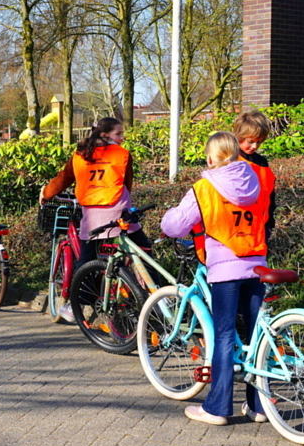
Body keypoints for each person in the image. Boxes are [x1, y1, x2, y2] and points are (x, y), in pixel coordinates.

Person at [160, 132, 269, 426]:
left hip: (225, 269)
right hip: (256, 263)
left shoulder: (205, 187)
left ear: (210, 157)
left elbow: (176, 225)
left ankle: (218, 408)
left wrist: (167, 217)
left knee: (222, 336)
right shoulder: (254, 181)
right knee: (256, 336)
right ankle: (258, 406)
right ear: (236, 154)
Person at [39, 117, 151, 323]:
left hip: (93, 216)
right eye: (118, 134)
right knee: (144, 249)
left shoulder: (80, 155)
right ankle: (158, 294)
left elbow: (64, 178)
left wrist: (46, 194)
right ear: (104, 134)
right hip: (120, 212)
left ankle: (77, 305)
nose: (122, 137)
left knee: (87, 260)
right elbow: (127, 184)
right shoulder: (123, 154)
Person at [233, 110, 277, 242]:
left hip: (260, 225)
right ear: (238, 136)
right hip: (236, 225)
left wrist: (269, 221)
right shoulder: (231, 160)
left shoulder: (262, 162)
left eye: (259, 142)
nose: (255, 146)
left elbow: (269, 194)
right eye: (251, 141)